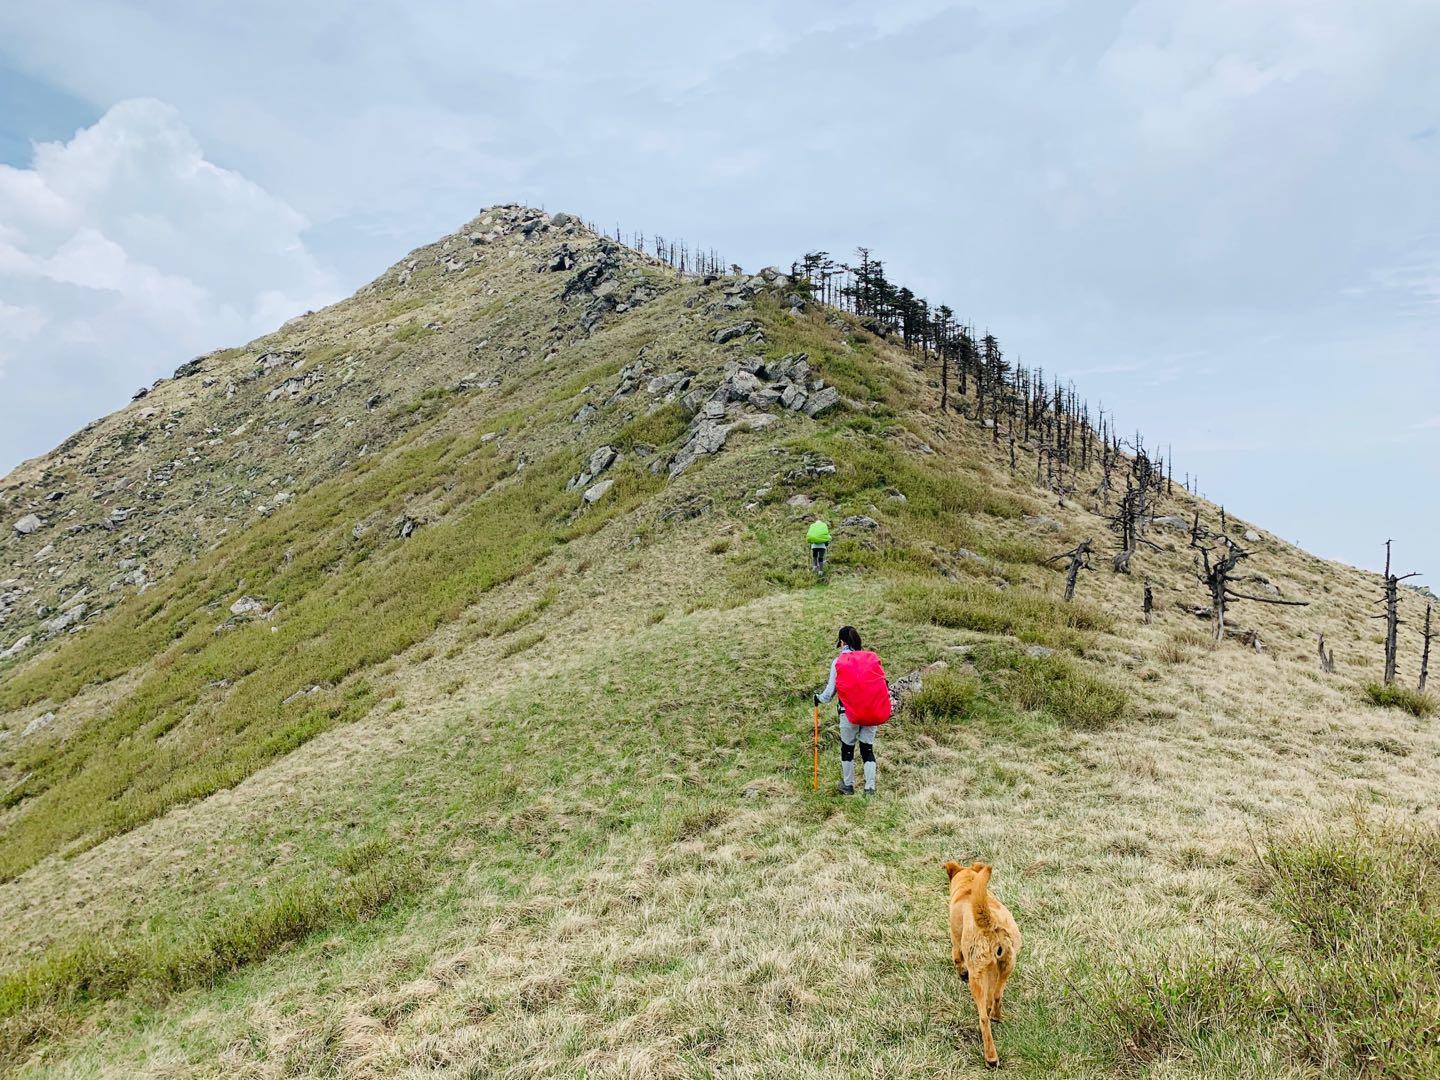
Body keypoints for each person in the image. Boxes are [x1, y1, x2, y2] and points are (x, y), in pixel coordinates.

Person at [814, 625, 891, 796]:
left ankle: (848, 786)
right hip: (871, 712)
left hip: (848, 713)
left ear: (842, 642)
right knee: (867, 749)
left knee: (847, 749)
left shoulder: (838, 662)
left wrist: (817, 699)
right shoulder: (870, 658)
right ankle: (869, 788)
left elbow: (829, 693)